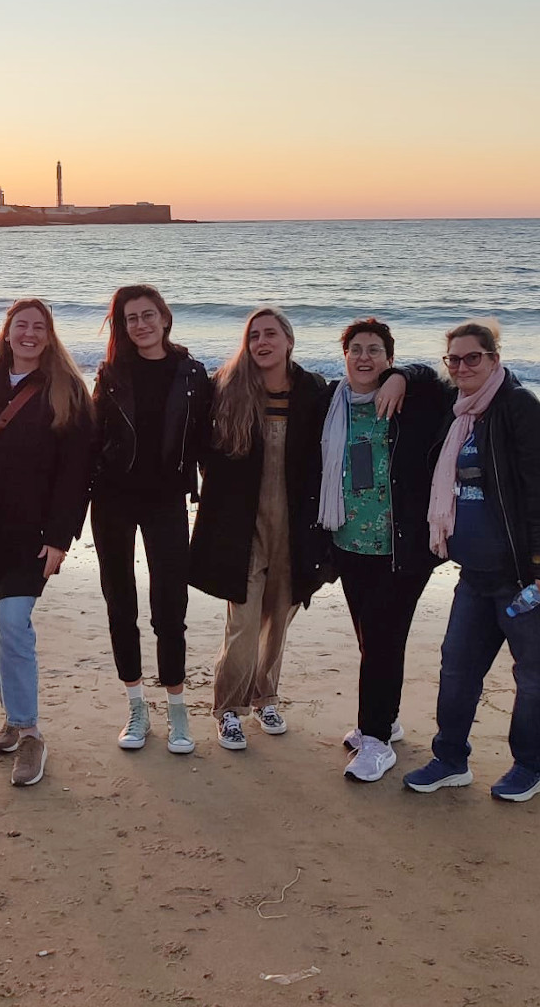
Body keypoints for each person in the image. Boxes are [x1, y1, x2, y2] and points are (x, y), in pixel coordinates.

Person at [404, 319, 540, 802]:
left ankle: (531, 768)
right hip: (476, 577)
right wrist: (399, 375)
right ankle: (450, 760)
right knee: (457, 669)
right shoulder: (460, 412)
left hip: (526, 579)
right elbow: (418, 377)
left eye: (473, 358)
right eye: (453, 360)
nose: (462, 367)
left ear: (494, 359)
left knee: (534, 678)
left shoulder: (518, 407)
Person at [0, 298, 94, 787]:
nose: (29, 333)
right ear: (7, 332)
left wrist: (60, 538)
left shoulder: (67, 390)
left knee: (13, 625)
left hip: (32, 534)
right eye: (21, 325)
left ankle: (30, 733)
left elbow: (76, 473)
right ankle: (14, 718)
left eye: (39, 326)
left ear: (50, 336)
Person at [190, 306, 331, 751]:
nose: (261, 342)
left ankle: (265, 697)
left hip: (294, 526)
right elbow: (200, 445)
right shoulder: (227, 387)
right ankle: (228, 710)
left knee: (279, 619)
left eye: (270, 334)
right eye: (254, 336)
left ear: (289, 341)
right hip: (241, 525)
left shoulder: (313, 390)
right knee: (243, 622)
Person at [318, 319, 450, 783]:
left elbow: (440, 378)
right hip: (350, 542)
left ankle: (375, 740)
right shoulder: (333, 402)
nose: (364, 357)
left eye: (375, 350)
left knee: (381, 640)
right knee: (372, 639)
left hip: (402, 547)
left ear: (389, 358)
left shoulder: (412, 399)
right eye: (356, 349)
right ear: (345, 356)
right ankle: (386, 720)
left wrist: (404, 377)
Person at [91, 285, 211, 754]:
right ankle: (137, 707)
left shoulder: (192, 373)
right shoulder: (110, 374)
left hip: (166, 501)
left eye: (147, 315)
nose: (140, 325)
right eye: (130, 318)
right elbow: (91, 436)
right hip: (113, 500)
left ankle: (178, 710)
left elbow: (207, 441)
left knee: (169, 606)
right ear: (123, 326)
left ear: (164, 317)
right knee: (120, 603)